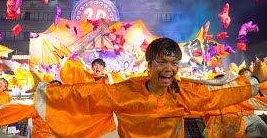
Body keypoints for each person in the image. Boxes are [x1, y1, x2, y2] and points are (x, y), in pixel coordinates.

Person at [30, 37, 267, 137]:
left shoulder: (182, 92)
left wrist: (254, 83)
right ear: (149, 64)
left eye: (174, 63)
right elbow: (82, 94)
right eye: (161, 62)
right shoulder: (123, 91)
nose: (168, 68)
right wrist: (45, 90)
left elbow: (217, 94)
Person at [53, 48, 125, 84]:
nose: (97, 68)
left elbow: (123, 84)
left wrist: (108, 78)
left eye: (100, 66)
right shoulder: (86, 77)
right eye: (95, 66)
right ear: (92, 68)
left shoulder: (110, 77)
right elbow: (73, 69)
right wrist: (62, 57)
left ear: (104, 69)